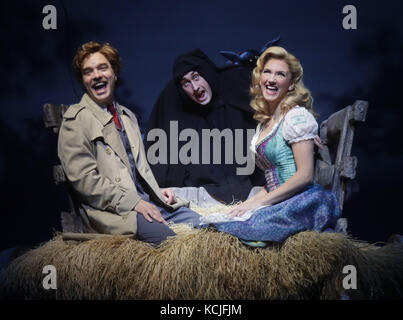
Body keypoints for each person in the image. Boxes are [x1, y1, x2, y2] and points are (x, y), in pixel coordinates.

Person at [58, 41, 200, 246]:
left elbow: (137, 171)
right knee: (171, 244)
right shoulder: (76, 121)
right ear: (83, 81)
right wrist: (133, 203)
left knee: (203, 226)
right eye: (88, 72)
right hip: (114, 212)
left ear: (115, 73)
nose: (96, 75)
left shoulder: (127, 116)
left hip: (145, 202)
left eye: (102, 68)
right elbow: (85, 182)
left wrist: (156, 192)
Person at [200, 46, 341, 246]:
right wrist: (248, 204)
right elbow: (273, 179)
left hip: (303, 202)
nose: (272, 79)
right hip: (281, 201)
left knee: (235, 230)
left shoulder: (297, 117)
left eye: (280, 74)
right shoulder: (266, 124)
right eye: (267, 72)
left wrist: (259, 202)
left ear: (291, 84)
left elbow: (304, 175)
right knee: (225, 219)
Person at [145, 49, 266, 204]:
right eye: (186, 83)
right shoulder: (182, 117)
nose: (195, 87)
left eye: (196, 77)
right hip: (203, 198)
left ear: (206, 73)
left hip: (252, 193)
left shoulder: (236, 101)